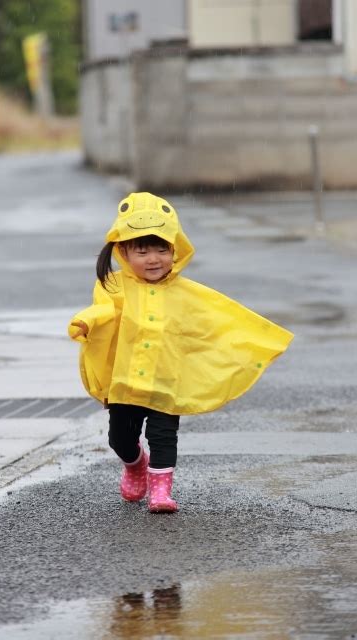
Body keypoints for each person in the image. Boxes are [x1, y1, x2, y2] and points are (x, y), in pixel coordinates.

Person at [68, 192, 294, 513]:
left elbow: (218, 322)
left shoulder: (186, 294)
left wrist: (258, 341)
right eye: (142, 250)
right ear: (123, 251)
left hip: (167, 381)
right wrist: (86, 323)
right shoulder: (113, 286)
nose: (153, 259)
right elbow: (103, 312)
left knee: (163, 436)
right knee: (120, 438)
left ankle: (160, 492)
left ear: (176, 249)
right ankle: (135, 466)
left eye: (162, 249)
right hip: (126, 381)